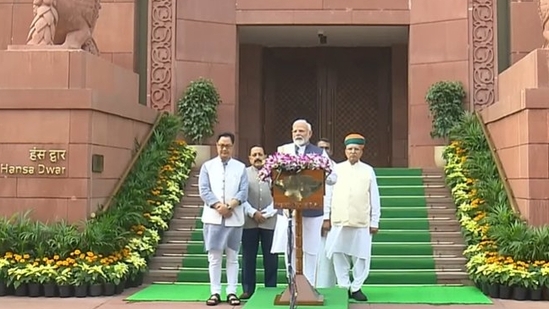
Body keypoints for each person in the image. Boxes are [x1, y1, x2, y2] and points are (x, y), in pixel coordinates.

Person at [271, 119, 337, 286]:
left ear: (309, 134)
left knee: (311, 249)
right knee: (290, 249)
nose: (298, 134)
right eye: (295, 131)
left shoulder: (319, 153)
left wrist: (322, 174)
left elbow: (333, 177)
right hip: (288, 210)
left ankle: (309, 285)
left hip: (312, 210)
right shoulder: (283, 150)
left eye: (301, 131)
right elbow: (273, 177)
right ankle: (292, 285)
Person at [325, 133, 381, 301]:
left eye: (356, 149)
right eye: (350, 149)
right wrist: (326, 217)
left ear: (362, 152)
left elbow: (374, 197)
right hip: (339, 220)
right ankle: (344, 286)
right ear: (345, 151)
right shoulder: (336, 169)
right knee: (338, 253)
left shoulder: (368, 170)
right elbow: (328, 194)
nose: (353, 152)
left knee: (361, 256)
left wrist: (374, 220)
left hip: (361, 221)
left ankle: (356, 287)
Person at [199, 132, 248, 306]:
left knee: (233, 257)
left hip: (234, 218)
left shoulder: (241, 167)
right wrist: (218, 206)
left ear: (232, 147)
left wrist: (231, 206)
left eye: (227, 145)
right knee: (214, 257)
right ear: (216, 146)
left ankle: (232, 292)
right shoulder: (207, 166)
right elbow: (204, 190)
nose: (224, 148)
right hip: (213, 218)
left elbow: (243, 191)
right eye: (221, 145)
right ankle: (215, 292)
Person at [240, 146, 279, 299]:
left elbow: (280, 195)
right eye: (254, 155)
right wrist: (252, 212)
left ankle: (270, 288)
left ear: (266, 156)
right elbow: (241, 196)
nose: (257, 157)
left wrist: (267, 213)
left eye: (260, 154)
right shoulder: (243, 174)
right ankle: (248, 289)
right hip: (249, 221)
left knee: (271, 258)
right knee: (249, 257)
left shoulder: (275, 173)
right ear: (249, 158)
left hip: (269, 222)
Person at [315, 138, 337, 288]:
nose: (324, 151)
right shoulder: (309, 166)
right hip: (309, 216)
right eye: (320, 148)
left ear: (331, 150)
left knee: (326, 255)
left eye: (327, 148)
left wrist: (326, 217)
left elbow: (330, 194)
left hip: (330, 217)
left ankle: (325, 286)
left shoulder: (335, 168)